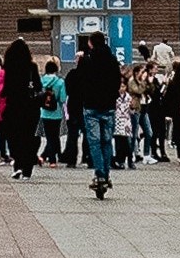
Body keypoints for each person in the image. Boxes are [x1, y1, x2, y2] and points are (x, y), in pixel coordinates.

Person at [67, 28, 125, 197]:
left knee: (94, 142)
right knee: (107, 141)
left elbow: (79, 81)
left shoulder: (87, 60)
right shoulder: (113, 60)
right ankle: (105, 174)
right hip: (108, 106)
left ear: (91, 43)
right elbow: (117, 82)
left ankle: (100, 174)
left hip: (91, 106)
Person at [0, 37, 43, 177]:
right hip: (30, 108)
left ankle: (17, 165)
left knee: (14, 137)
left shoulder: (9, 67)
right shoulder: (32, 67)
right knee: (29, 138)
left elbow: (6, 89)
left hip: (13, 107)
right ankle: (27, 169)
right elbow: (38, 86)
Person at [38, 56, 69, 166]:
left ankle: (46, 156)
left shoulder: (41, 81)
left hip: (44, 112)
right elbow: (62, 98)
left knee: (49, 136)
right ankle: (52, 160)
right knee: (54, 136)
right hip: (56, 113)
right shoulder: (60, 82)